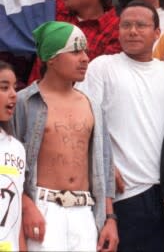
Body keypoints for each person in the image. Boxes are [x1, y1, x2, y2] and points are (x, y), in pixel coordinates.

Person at [76, 1, 164, 252]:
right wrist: (103, 162)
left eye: (141, 25)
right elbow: (81, 120)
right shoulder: (102, 67)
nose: (132, 31)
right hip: (124, 194)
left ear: (157, 33)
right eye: (126, 25)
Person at [15, 22, 117, 252]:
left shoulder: (92, 105)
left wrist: (110, 217)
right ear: (51, 58)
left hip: (85, 210)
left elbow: (104, 164)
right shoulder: (23, 102)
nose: (84, 59)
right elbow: (7, 162)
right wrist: (26, 206)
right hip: (42, 208)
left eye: (85, 52)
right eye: (75, 51)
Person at [0, 61, 24, 251]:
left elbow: (16, 215)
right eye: (4, 87)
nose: (13, 94)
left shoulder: (16, 148)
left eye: (15, 87)